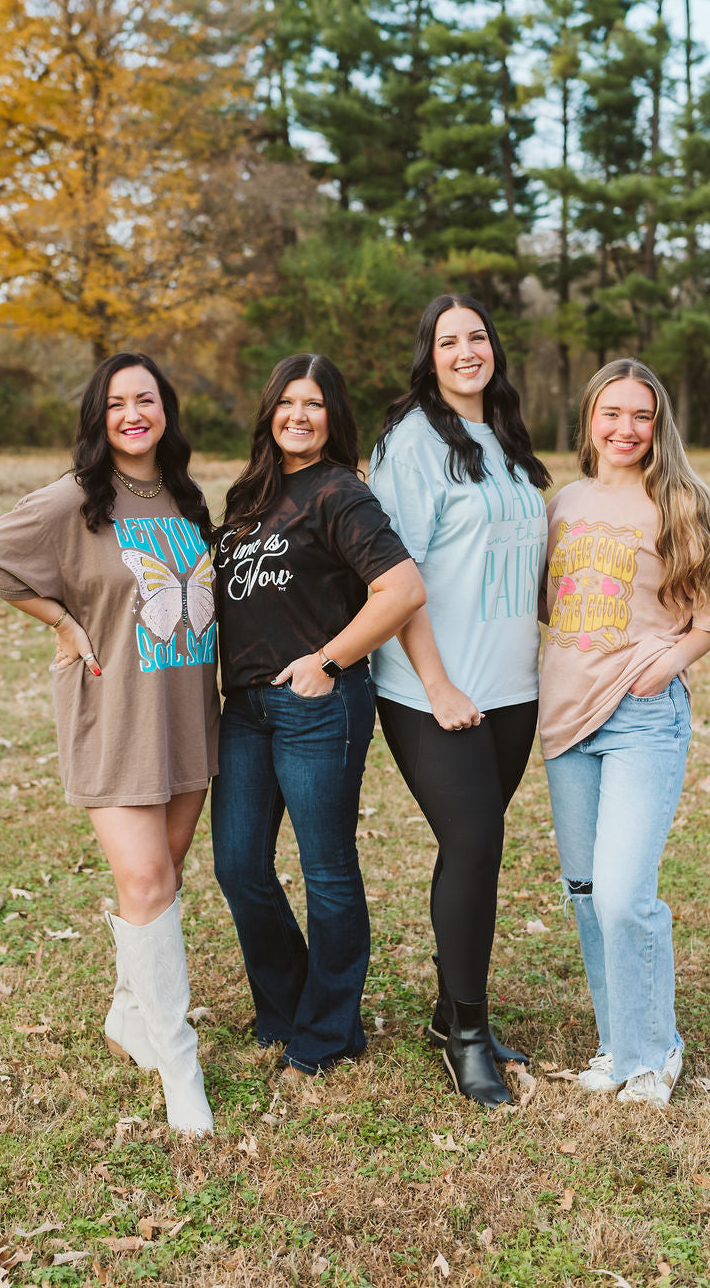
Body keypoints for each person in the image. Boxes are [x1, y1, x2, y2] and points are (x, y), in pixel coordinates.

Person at [0, 352, 218, 1135]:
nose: (133, 414)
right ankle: (178, 1063)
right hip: (114, 716)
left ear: (166, 410)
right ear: (98, 418)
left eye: (146, 399)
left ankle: (129, 1015)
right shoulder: (75, 498)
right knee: (146, 879)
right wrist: (62, 621)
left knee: (162, 878)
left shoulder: (185, 496)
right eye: (116, 403)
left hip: (185, 712)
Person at [211, 353, 425, 1077]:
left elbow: (401, 590)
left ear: (333, 417)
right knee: (239, 864)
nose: (298, 416)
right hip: (244, 707)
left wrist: (327, 663)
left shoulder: (341, 493)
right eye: (287, 402)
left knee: (326, 871)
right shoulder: (250, 495)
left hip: (317, 705)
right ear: (269, 411)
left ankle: (328, 1033)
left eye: (314, 404)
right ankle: (288, 1009)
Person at [540, 359, 710, 1108]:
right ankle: (618, 1042)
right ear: (589, 419)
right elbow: (551, 604)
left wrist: (666, 665)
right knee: (588, 893)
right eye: (612, 413)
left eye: (642, 415)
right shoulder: (564, 503)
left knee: (625, 895)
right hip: (564, 722)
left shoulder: (682, 501)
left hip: (640, 718)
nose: (625, 429)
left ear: (659, 426)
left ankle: (655, 1054)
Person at [368, 294, 551, 1108]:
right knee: (476, 841)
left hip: (512, 685)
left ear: (494, 349)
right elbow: (395, 576)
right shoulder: (411, 444)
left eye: (478, 336)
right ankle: (468, 1039)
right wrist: (438, 685)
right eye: (449, 341)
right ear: (430, 355)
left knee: (473, 847)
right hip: (432, 691)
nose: (467, 351)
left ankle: (451, 1012)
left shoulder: (505, 436)